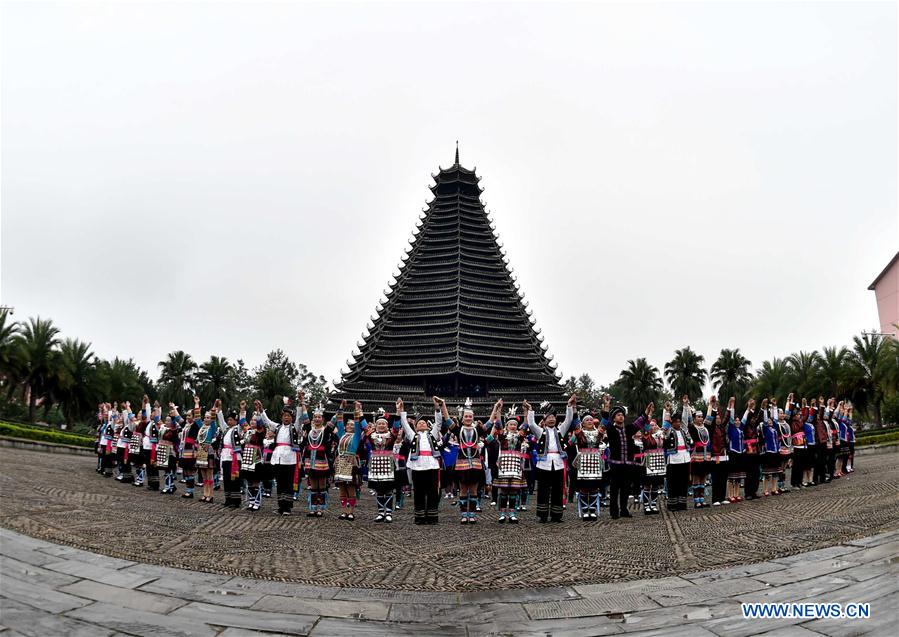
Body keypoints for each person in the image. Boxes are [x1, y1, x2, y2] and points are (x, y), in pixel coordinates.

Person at [527, 394, 577, 523]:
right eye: (548, 418)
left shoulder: (561, 430)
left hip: (558, 462)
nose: (551, 420)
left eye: (553, 417)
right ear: (544, 420)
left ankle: (556, 515)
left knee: (557, 489)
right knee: (543, 489)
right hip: (544, 462)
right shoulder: (540, 432)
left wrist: (569, 405)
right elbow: (531, 424)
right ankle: (543, 515)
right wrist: (530, 410)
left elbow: (568, 420)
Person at [256, 393, 304, 516]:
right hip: (277, 458)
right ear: (281, 417)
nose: (286, 418)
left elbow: (299, 418)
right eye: (284, 416)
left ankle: (287, 507)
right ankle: (281, 506)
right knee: (279, 483)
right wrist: (261, 410)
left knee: (288, 483)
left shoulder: (294, 428)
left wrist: (300, 403)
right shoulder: (277, 427)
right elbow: (267, 421)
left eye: (288, 416)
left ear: (291, 418)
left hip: (289, 458)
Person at [400, 397, 444, 525]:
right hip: (417, 466)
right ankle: (419, 517)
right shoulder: (413, 435)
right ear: (416, 427)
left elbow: (439, 422)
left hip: (431, 465)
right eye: (419, 423)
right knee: (418, 492)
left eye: (424, 423)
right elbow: (405, 424)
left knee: (432, 492)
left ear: (428, 426)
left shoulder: (433, 434)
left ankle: (432, 517)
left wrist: (437, 408)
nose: (422, 424)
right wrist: (402, 410)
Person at [445, 399, 487, 524]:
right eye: (466, 416)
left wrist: (496, 409)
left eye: (470, 416)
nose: (468, 418)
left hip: (475, 463)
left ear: (473, 418)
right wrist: (443, 406)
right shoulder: (458, 430)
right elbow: (447, 420)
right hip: (462, 464)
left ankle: (472, 514)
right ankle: (464, 514)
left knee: (474, 490)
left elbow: (490, 424)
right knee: (463, 489)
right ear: (462, 418)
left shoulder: (477, 430)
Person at [487, 401, 529, 523]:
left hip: (515, 463)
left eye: (514, 424)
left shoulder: (519, 436)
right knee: (504, 490)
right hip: (504, 463)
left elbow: (526, 425)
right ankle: (502, 513)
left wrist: (525, 412)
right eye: (510, 424)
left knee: (514, 489)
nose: (512, 426)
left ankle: (512, 513)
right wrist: (499, 410)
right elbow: (498, 424)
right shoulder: (502, 435)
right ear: (507, 425)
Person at [602, 397, 642, 519]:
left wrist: (647, 413)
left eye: (622, 415)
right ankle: (614, 512)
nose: (621, 417)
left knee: (625, 488)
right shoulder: (611, 430)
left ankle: (624, 510)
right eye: (618, 415)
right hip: (615, 464)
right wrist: (607, 406)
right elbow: (605, 419)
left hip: (628, 464)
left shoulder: (629, 429)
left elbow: (640, 423)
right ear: (614, 418)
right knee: (614, 489)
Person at [298, 399, 337, 517]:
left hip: (322, 461)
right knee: (313, 485)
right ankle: (313, 508)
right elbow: (305, 418)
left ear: (323, 419)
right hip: (310, 460)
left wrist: (340, 408)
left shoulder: (325, 430)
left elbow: (333, 420)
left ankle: (320, 508)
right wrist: (303, 404)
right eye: (315, 417)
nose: (316, 419)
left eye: (319, 417)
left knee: (321, 485)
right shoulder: (309, 430)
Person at [363, 402, 401, 522]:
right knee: (379, 489)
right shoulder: (371, 435)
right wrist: (359, 411)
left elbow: (396, 426)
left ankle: (389, 513)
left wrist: (398, 411)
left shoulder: (391, 435)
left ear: (386, 425)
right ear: (376, 425)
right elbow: (364, 426)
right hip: (375, 464)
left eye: (383, 423)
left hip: (388, 464)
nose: (381, 425)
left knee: (389, 489)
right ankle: (380, 512)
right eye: (379, 423)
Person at [569, 410, 606, 520]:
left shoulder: (598, 432)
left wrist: (606, 408)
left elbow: (604, 423)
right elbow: (575, 421)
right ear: (583, 423)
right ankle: (585, 510)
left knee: (594, 486)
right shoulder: (579, 432)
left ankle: (592, 510)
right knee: (584, 487)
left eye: (591, 419)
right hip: (583, 461)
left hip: (595, 460)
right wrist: (574, 408)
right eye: (587, 420)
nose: (590, 421)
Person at [663, 409, 692, 511]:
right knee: (673, 482)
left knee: (683, 482)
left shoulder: (684, 430)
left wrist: (685, 406)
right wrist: (666, 411)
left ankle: (682, 503)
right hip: (674, 459)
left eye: (679, 421)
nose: (678, 423)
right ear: (672, 422)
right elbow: (665, 425)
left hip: (685, 458)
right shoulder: (669, 431)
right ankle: (672, 504)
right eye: (676, 422)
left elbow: (685, 420)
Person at [707, 396, 734, 506]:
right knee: (716, 478)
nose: (718, 419)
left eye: (719, 418)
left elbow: (727, 418)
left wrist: (730, 407)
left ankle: (722, 497)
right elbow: (711, 418)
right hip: (715, 456)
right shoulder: (712, 428)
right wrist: (712, 406)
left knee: (723, 478)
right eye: (716, 418)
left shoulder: (722, 427)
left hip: (724, 455)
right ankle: (715, 499)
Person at [218, 404, 245, 508]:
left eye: (231, 420)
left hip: (234, 457)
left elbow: (242, 422)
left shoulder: (237, 429)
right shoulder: (226, 430)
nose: (229, 422)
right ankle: (228, 499)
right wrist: (219, 410)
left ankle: (236, 500)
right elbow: (221, 422)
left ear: (235, 421)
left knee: (234, 479)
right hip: (225, 456)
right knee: (226, 479)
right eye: (228, 420)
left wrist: (242, 410)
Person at [685, 396, 710, 508]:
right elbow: (688, 421)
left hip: (705, 456)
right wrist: (687, 406)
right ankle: (696, 501)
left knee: (703, 477)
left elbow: (710, 418)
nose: (700, 419)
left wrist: (710, 405)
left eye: (701, 417)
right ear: (695, 419)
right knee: (696, 477)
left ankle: (702, 499)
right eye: (698, 417)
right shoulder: (693, 428)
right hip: (697, 456)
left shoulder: (705, 428)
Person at [195, 401, 220, 503]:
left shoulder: (212, 427)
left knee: (209, 474)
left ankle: (211, 494)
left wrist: (214, 407)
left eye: (208, 418)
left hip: (208, 450)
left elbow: (214, 418)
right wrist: (197, 403)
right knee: (203, 475)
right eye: (205, 417)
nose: (206, 419)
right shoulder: (201, 426)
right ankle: (205, 493)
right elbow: (197, 418)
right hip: (201, 450)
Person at [178, 396, 202, 499]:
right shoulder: (186, 425)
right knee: (186, 471)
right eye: (187, 415)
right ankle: (188, 490)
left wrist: (196, 403)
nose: (187, 417)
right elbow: (177, 418)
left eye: (189, 415)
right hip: (183, 449)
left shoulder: (196, 425)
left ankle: (190, 491)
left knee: (190, 470)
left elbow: (197, 416)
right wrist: (172, 408)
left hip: (191, 449)